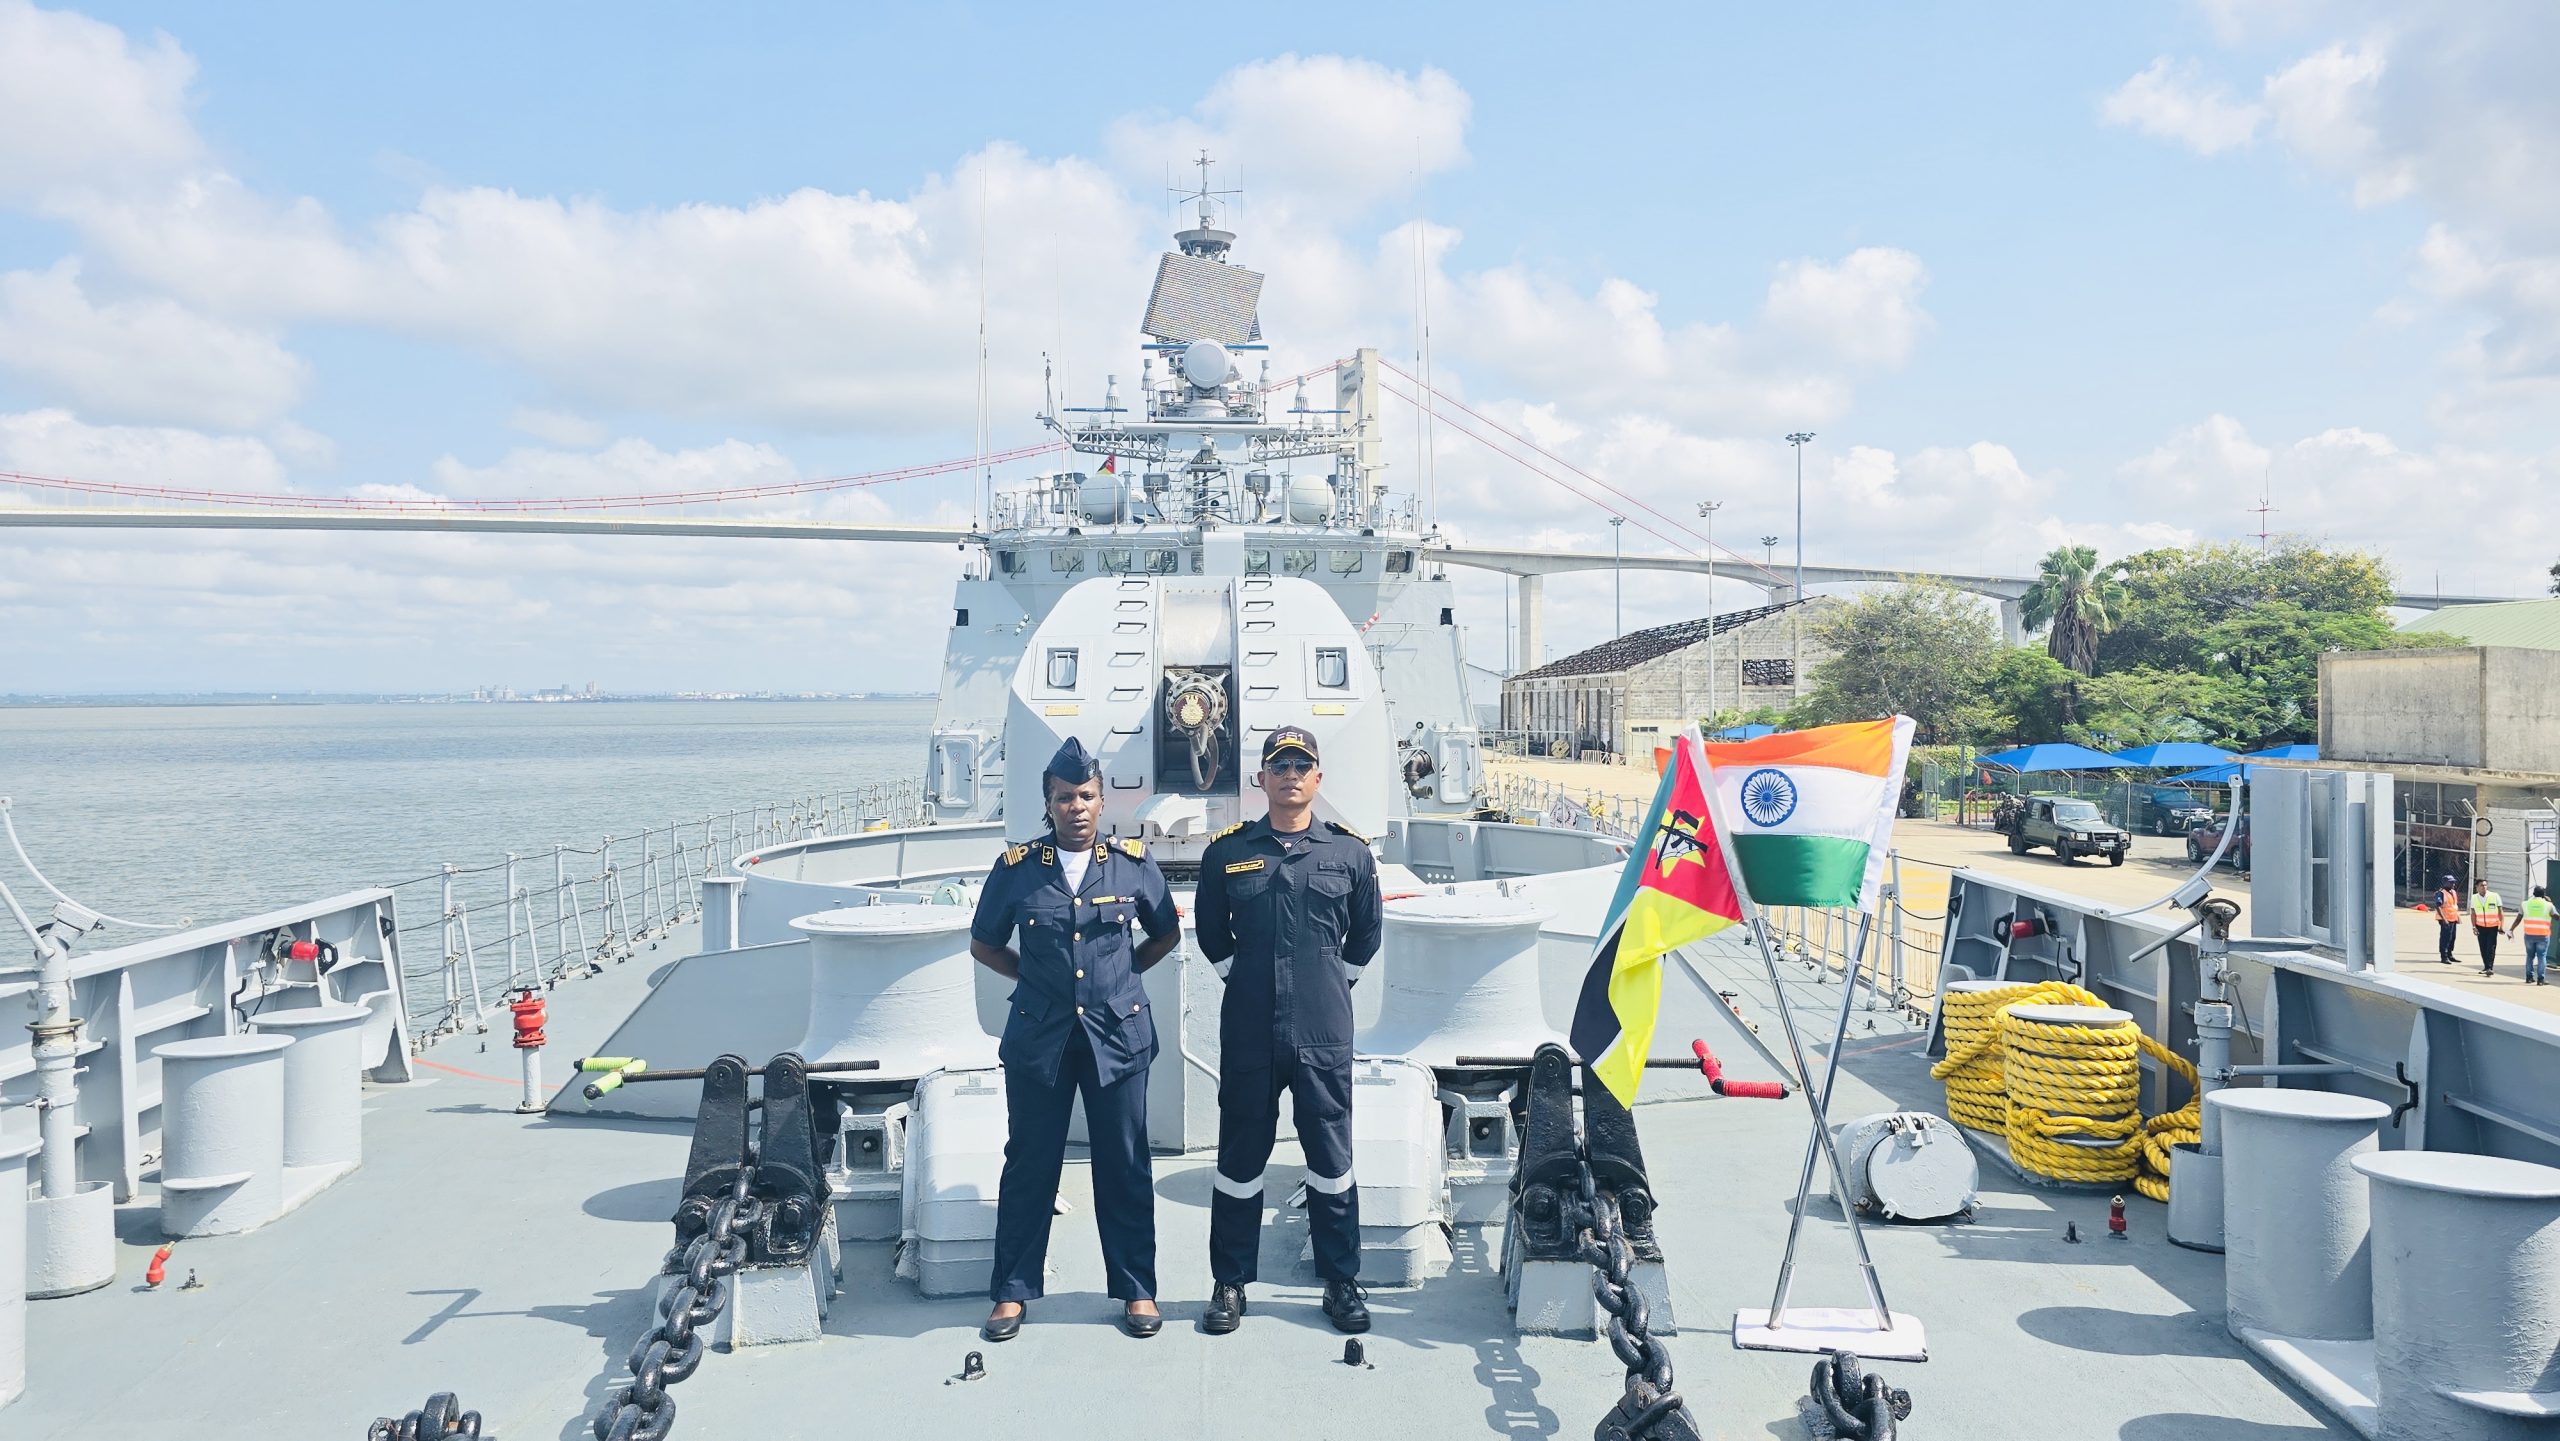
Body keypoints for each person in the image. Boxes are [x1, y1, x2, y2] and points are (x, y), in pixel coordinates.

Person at [968, 737, 1181, 1342]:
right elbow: (985, 943)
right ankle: (1012, 1290)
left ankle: (1137, 1289)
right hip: (1041, 1039)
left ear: (1102, 798)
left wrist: (1125, 975)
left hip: (1117, 1037)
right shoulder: (1015, 872)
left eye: (1087, 795)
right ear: (1048, 802)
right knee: (1030, 1164)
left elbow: (1165, 933)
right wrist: (1032, 980)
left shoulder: (1133, 865)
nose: (1077, 807)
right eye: (1065, 797)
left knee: (1125, 1164)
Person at [1192, 725, 1383, 1338]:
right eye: (1280, 766)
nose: (1291, 775)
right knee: (1240, 1157)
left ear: (1318, 779)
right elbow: (1213, 935)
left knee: (1331, 1157)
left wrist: (1329, 983)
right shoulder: (1227, 853)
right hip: (1249, 1028)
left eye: (1302, 765)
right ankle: (1230, 1282)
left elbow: (1366, 936)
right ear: (1262, 780)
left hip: (1324, 1029)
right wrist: (1246, 981)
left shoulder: (1349, 854)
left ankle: (1340, 1280)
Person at [2509, 886, 2553, 986]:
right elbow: (2556, 916)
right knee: (2542, 957)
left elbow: (2518, 919)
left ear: (2533, 893)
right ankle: (2540, 980)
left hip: (2529, 935)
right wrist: (2550, 903)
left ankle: (2529, 978)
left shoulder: (2525, 904)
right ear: (2543, 894)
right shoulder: (2548, 905)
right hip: (2543, 935)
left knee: (2530, 956)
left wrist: (2511, 929)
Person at [2470, 877, 2505, 976]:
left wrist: (2501, 925)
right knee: (2483, 947)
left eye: (2485, 885)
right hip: (2480, 926)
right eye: (2481, 885)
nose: (2484, 887)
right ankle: (2486, 966)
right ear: (2477, 887)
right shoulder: (2474, 898)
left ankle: (2490, 967)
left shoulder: (2494, 896)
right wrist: (2473, 926)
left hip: (2493, 926)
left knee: (2491, 947)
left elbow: (2500, 912)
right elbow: (2473, 913)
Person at [2434, 875, 2464, 966]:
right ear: (2445, 883)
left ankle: (2450, 954)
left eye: (2453, 882)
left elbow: (2454, 906)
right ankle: (2444, 956)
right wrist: (2444, 919)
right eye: (2451, 882)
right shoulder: (2441, 893)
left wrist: (2457, 916)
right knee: (2445, 938)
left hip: (2453, 918)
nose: (2453, 884)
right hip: (2445, 919)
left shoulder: (2453, 892)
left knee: (2452, 937)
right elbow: (2438, 906)